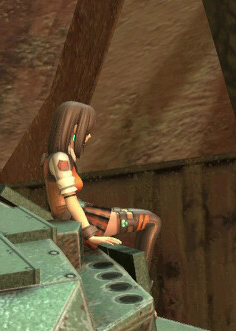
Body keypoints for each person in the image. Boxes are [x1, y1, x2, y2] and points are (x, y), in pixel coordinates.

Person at [42, 101, 161, 262]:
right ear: (75, 129)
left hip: (80, 211)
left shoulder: (59, 155)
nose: (89, 136)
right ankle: (145, 274)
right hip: (76, 217)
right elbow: (70, 200)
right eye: (86, 131)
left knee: (142, 218)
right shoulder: (61, 159)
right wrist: (89, 233)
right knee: (152, 221)